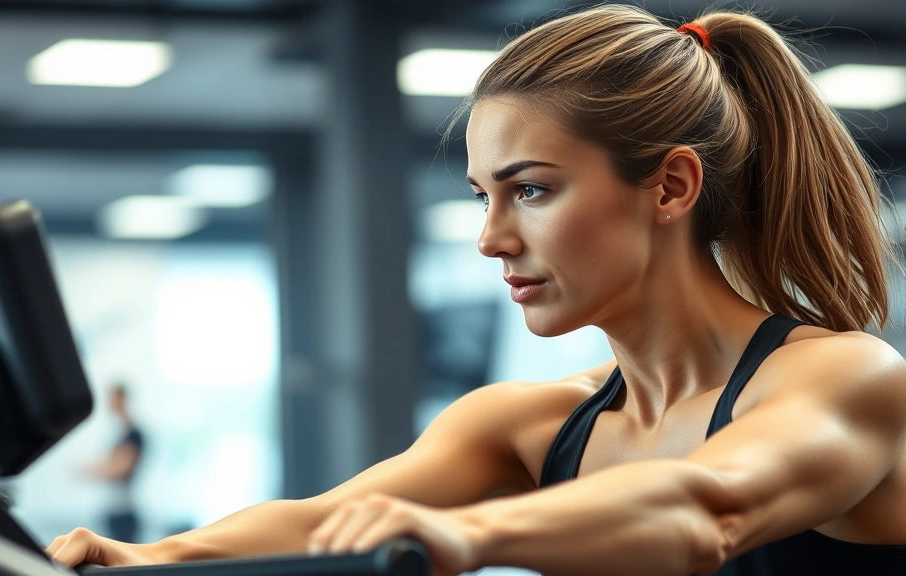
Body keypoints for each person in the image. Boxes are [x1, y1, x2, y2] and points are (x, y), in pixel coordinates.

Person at [47, 5, 906, 575]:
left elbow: (703, 510)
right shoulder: (531, 426)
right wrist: (153, 559)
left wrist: (472, 531)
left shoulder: (847, 378)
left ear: (672, 188)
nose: (491, 238)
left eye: (531, 189)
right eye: (483, 195)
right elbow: (324, 524)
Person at [84, 384, 145, 544]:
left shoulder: (134, 435)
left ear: (122, 399)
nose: (110, 402)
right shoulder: (120, 435)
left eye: (113, 398)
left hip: (124, 513)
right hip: (113, 511)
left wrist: (94, 471)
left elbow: (118, 470)